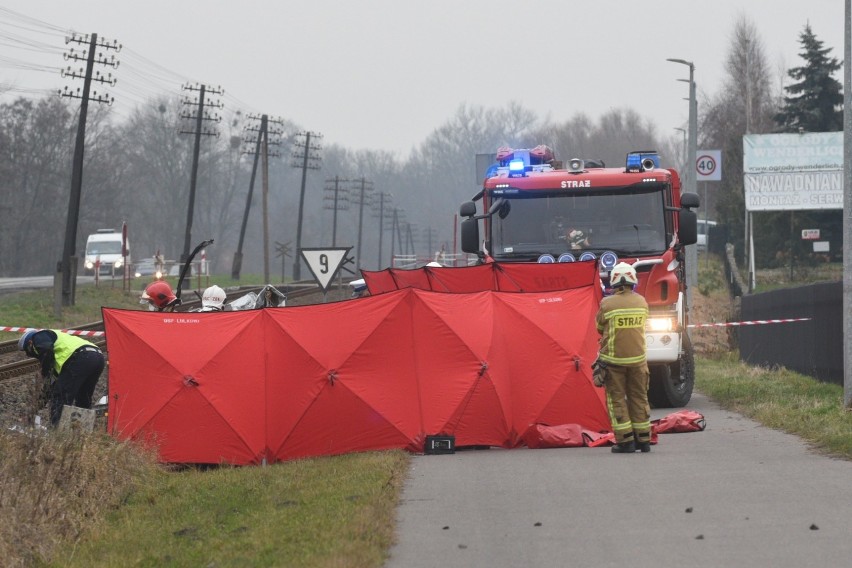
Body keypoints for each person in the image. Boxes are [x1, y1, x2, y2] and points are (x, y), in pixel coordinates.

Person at [594, 262, 651, 453]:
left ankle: (625, 441)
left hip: (614, 362)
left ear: (614, 282)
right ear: (633, 280)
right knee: (639, 397)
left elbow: (599, 328)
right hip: (639, 361)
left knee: (616, 399)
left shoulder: (607, 303)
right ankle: (644, 439)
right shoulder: (642, 302)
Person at [18, 329, 105, 426]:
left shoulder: (39, 336)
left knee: (61, 396)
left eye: (28, 350)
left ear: (30, 343)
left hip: (81, 357)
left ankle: (56, 431)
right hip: (98, 358)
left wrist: (44, 372)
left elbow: (46, 351)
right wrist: (36, 408)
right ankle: (83, 431)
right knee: (83, 398)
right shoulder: (59, 356)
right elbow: (49, 386)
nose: (29, 354)